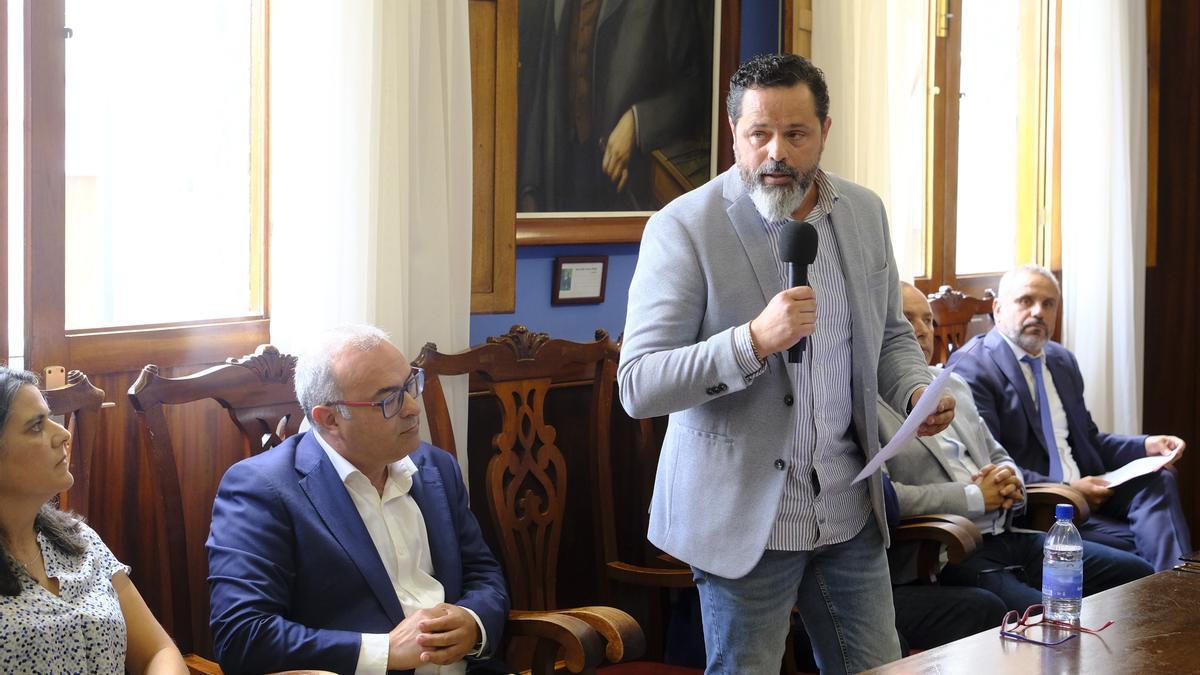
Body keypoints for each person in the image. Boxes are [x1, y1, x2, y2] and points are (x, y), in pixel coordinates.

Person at [617, 53, 955, 674]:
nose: (776, 152)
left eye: (796, 134)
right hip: (745, 521)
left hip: (848, 508)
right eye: (759, 134)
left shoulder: (863, 213)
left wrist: (913, 392)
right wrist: (751, 340)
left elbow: (889, 336)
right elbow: (639, 384)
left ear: (825, 130)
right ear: (734, 135)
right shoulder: (683, 227)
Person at [207, 325, 509, 674]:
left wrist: (473, 622)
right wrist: (384, 651)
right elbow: (243, 636)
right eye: (389, 399)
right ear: (330, 419)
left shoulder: (436, 467)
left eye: (410, 385)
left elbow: (483, 573)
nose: (413, 408)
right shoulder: (262, 489)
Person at [882, 283, 1152, 613]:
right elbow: (885, 498)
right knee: (1047, 617)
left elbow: (998, 455)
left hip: (1009, 532)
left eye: (928, 320)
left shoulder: (951, 384)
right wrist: (975, 497)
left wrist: (1009, 478)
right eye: (907, 319)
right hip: (949, 548)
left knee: (1138, 577)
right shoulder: (864, 404)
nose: (922, 330)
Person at [947, 265, 1191, 572]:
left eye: (1048, 304)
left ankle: (1177, 588)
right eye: (1026, 301)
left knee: (1159, 479)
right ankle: (1175, 593)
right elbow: (988, 465)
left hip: (1089, 494)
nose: (1038, 312)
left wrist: (1146, 446)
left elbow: (1089, 440)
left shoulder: (1061, 360)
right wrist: (1067, 486)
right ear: (998, 308)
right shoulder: (974, 366)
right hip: (1039, 506)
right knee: (1140, 554)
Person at [0, 367, 187, 674]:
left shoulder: (78, 539)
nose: (63, 434)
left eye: (50, 418)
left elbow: (158, 650)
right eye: (36, 426)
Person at [517, 0, 710, 212]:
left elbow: (696, 93)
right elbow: (542, 86)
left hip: (629, 185)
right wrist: (529, 187)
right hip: (563, 173)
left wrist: (637, 122)